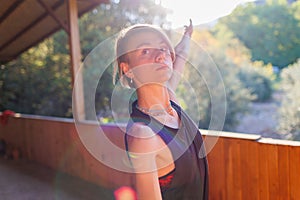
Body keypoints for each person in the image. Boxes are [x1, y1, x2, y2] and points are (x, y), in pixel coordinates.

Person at [113, 20, 209, 200]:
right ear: (128, 69)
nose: (160, 55)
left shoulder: (171, 102)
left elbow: (181, 55)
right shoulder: (144, 136)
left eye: (163, 48)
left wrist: (187, 36)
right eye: (145, 51)